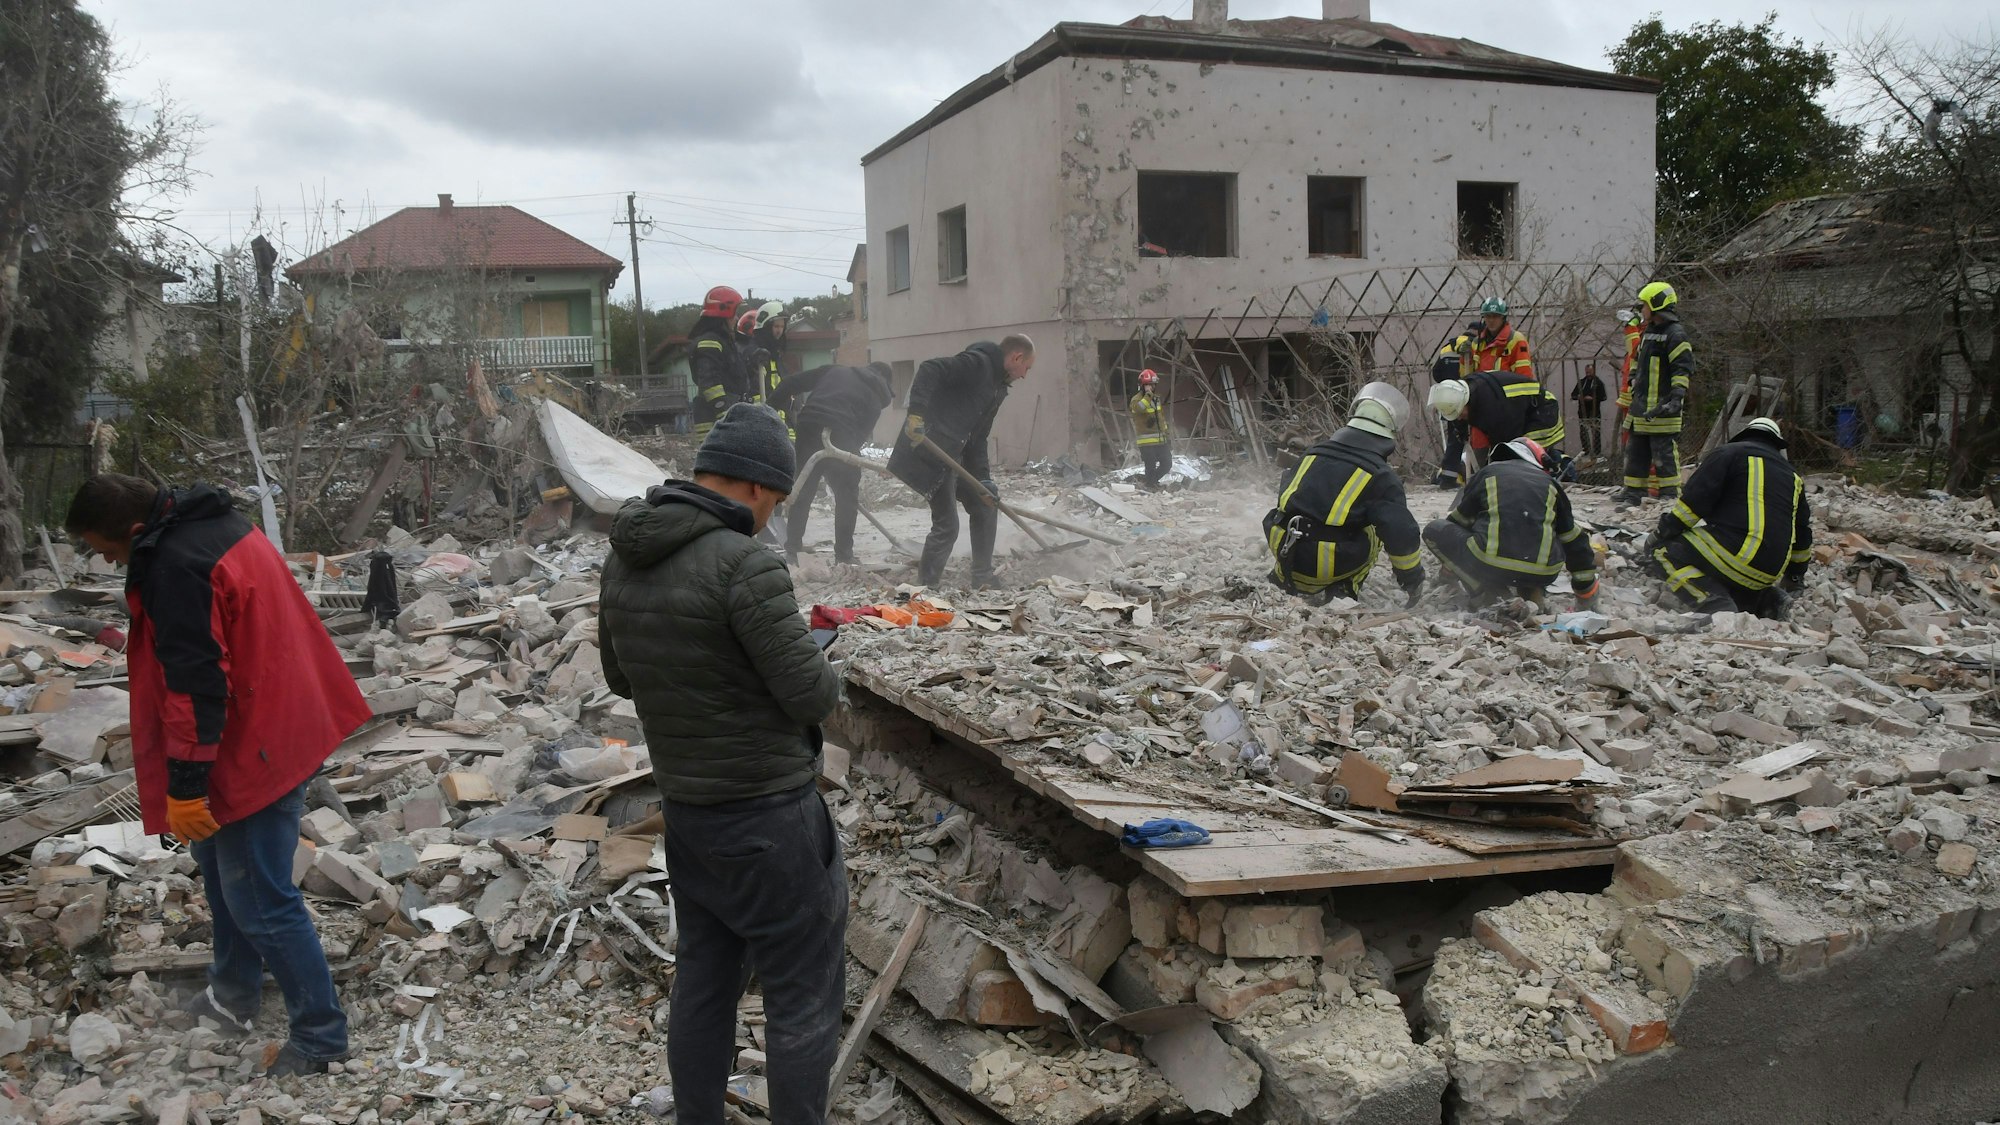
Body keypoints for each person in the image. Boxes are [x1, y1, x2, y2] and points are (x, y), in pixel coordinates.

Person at [64, 474, 371, 1077]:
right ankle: (233, 994)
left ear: (135, 529)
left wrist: (184, 785)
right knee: (224, 873)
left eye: (107, 550)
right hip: (278, 714)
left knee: (260, 898)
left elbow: (197, 686)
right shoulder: (214, 523)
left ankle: (320, 1037)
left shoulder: (177, 566)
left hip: (252, 742)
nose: (108, 562)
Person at [598, 402, 844, 1125]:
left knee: (704, 982)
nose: (771, 517)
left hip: (689, 814)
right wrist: (819, 660)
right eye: (778, 502)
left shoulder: (626, 555)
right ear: (758, 487)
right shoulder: (744, 562)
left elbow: (620, 676)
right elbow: (812, 695)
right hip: (770, 817)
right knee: (801, 996)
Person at [888, 335, 1036, 588]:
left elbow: (978, 438)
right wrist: (916, 414)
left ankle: (982, 577)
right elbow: (929, 369)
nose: (1024, 375)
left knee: (986, 504)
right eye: (1027, 368)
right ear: (1017, 357)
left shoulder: (998, 388)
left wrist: (983, 480)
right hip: (927, 450)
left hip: (952, 455)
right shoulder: (977, 364)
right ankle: (926, 586)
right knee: (947, 525)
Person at [1263, 382, 1425, 605]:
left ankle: (1282, 580)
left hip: (1285, 550)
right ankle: (1346, 587)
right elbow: (1400, 532)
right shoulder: (1381, 476)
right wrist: (1412, 578)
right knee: (1374, 529)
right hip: (1324, 565)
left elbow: (1287, 499)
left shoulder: (1311, 454)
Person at [1641, 417, 1812, 619]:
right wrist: (1795, 577)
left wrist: (1663, 533)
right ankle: (1767, 601)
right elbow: (1802, 534)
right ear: (1776, 444)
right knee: (1732, 571)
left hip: (1738, 555)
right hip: (1769, 572)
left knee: (1663, 552)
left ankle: (1714, 604)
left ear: (1746, 434)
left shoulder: (1729, 454)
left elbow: (1693, 504)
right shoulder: (1794, 477)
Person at [1423, 438, 1601, 612]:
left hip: (1490, 563)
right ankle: (1532, 591)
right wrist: (1585, 592)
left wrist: (1451, 570)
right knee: (1540, 542)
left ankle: (1483, 592)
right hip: (1543, 572)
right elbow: (1574, 540)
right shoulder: (1550, 484)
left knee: (1434, 530)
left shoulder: (1487, 474)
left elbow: (1458, 524)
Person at [769, 362, 895, 565]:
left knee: (804, 487)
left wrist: (767, 411)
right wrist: (837, 471)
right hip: (842, 431)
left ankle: (792, 550)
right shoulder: (875, 398)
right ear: (885, 380)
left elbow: (790, 383)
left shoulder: (835, 370)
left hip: (809, 423)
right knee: (847, 494)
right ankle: (844, 556)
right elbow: (858, 439)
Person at [1619, 282, 1692, 506]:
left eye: (1644, 305)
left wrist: (1677, 396)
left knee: (1663, 453)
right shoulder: (1649, 332)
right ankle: (1633, 493)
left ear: (1656, 305)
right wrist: (1633, 377)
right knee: (1636, 451)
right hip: (1641, 406)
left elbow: (1682, 368)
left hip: (1662, 407)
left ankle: (1669, 493)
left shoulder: (1675, 334)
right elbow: (1637, 358)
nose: (1642, 310)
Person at [689, 286, 749, 441]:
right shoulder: (710, 342)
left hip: (723, 417)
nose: (737, 318)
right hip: (715, 420)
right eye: (735, 313)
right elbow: (709, 382)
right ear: (724, 313)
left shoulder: (723, 341)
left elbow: (733, 376)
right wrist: (723, 410)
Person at [1429, 322, 1481, 488]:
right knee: (1477, 438)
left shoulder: (1447, 348)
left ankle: (1448, 477)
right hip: (1469, 400)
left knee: (1455, 438)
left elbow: (1436, 373)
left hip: (1449, 401)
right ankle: (1477, 476)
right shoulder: (1477, 346)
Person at [1129, 368, 1172, 486]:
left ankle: (1151, 482)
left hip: (1160, 440)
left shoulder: (1156, 399)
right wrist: (1148, 395)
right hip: (1146, 442)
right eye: (1150, 385)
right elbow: (1140, 408)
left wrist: (1166, 434)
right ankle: (1151, 485)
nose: (1153, 387)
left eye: (1154, 385)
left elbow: (1161, 418)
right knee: (1150, 465)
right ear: (1143, 386)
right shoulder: (1136, 400)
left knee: (1167, 463)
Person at [1572, 362, 1608, 460]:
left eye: (1590, 372)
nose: (1588, 374)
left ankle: (1597, 452)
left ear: (1594, 371)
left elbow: (1604, 397)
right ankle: (1586, 451)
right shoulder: (1582, 382)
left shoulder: (1598, 383)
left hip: (1594, 412)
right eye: (1587, 372)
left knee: (1596, 432)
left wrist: (1593, 399)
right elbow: (1573, 395)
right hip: (1583, 412)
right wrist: (1580, 397)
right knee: (1583, 432)